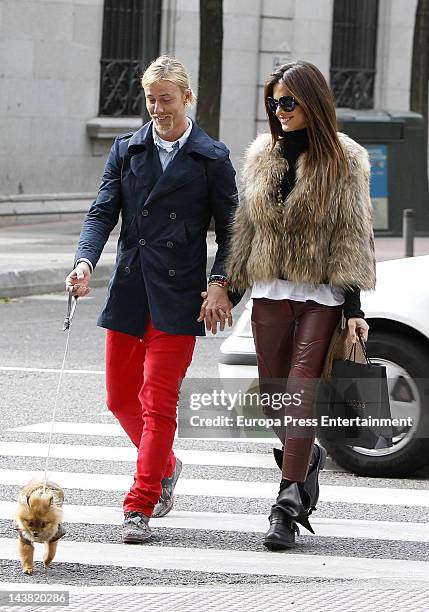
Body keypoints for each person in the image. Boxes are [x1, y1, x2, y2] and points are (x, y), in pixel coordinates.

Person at [65, 55, 240, 544]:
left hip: (179, 297)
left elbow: (232, 231)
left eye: (166, 98)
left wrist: (221, 281)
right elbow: (101, 212)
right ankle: (166, 464)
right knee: (120, 399)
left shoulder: (213, 158)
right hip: (129, 290)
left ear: (187, 98)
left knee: (156, 402)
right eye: (150, 99)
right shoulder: (127, 150)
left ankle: (139, 503)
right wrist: (84, 261)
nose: (157, 108)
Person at [226, 61, 376, 550]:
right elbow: (245, 230)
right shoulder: (260, 156)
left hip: (321, 294)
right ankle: (305, 459)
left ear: (313, 103)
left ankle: (286, 506)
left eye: (288, 102)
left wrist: (353, 307)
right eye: (273, 102)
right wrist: (225, 290)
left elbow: (354, 233)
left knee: (298, 394)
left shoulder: (346, 159)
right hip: (270, 291)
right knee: (274, 397)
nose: (279, 110)